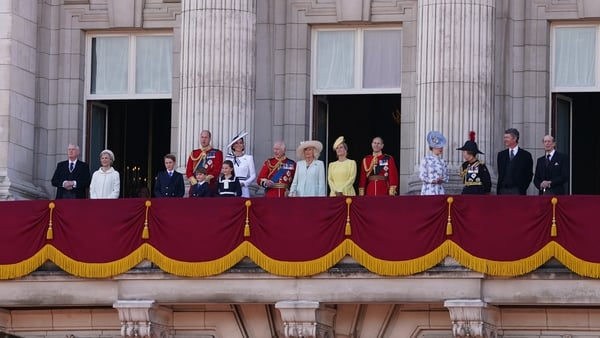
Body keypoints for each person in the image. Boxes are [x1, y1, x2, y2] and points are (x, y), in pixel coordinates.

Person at [497, 128, 533, 195]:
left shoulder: (526, 155)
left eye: (507, 137)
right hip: (503, 191)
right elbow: (500, 173)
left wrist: (522, 187)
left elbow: (529, 174)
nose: (505, 140)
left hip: (518, 191)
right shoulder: (501, 155)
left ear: (515, 138)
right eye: (504, 137)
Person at [225, 131, 256, 197]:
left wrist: (244, 183)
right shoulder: (229, 157)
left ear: (243, 145)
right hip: (231, 186)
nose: (239, 145)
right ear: (233, 145)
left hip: (243, 187)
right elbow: (225, 172)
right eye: (236, 143)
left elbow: (253, 175)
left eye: (241, 143)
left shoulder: (248, 158)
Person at [419, 131, 449, 195]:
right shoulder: (425, 160)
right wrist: (433, 181)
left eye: (441, 146)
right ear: (432, 147)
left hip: (440, 190)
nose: (440, 148)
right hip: (428, 190)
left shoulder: (442, 161)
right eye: (438, 146)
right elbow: (422, 176)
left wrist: (442, 180)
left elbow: (446, 176)